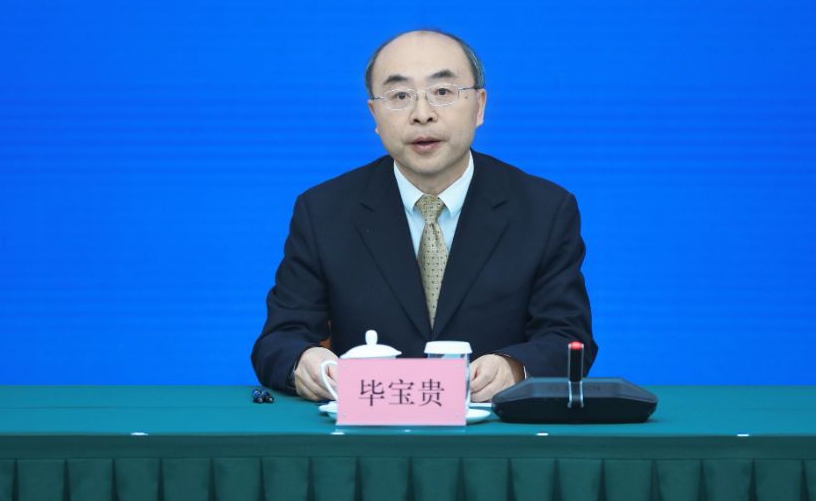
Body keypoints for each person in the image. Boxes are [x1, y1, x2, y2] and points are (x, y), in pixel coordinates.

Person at [251, 29, 597, 402]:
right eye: (400, 96)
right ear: (375, 114)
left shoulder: (544, 210)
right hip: (369, 427)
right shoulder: (323, 211)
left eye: (443, 92)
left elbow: (568, 338)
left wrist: (514, 368)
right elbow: (279, 340)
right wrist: (305, 361)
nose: (422, 114)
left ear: (479, 106)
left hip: (491, 427)